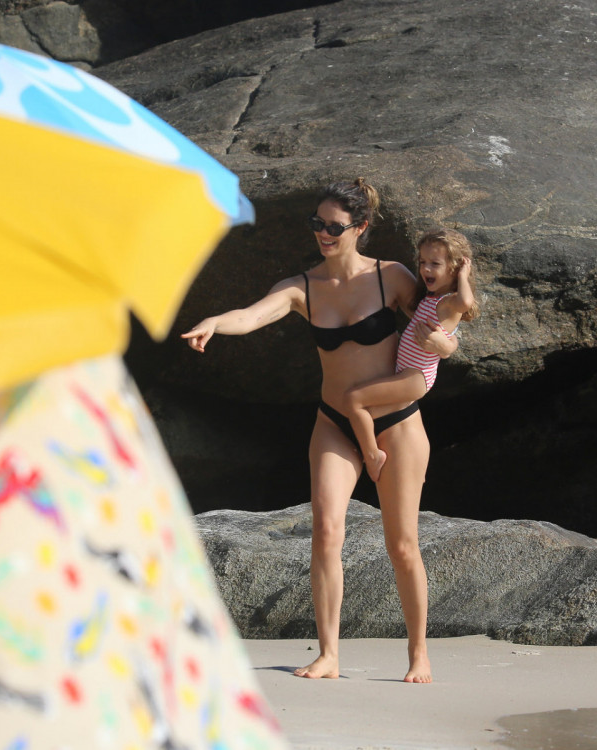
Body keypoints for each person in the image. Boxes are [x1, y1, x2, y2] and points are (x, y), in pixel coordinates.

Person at [181, 178, 451, 683]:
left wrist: (444, 344)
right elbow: (253, 314)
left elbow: (439, 317)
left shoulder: (390, 276)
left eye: (333, 227)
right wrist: (217, 321)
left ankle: (419, 653)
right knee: (325, 532)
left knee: (403, 545)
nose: (323, 234)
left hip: (397, 423)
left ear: (360, 228)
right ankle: (328, 653)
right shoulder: (302, 286)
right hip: (335, 423)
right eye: (317, 225)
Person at [343, 228, 478, 482]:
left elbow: (466, 302)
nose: (426, 269)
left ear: (455, 267)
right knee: (372, 413)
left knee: (353, 400)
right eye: (422, 262)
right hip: (408, 373)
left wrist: (464, 275)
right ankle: (403, 461)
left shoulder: (448, 302)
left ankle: (372, 457)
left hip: (416, 377)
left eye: (435, 264)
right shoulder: (430, 298)